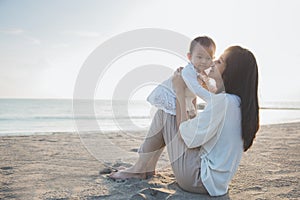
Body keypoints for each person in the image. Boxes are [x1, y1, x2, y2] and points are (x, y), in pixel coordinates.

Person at [109, 45, 259, 197]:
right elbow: (199, 131)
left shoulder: (224, 102)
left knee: (165, 113)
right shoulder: (237, 103)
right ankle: (145, 168)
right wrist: (191, 90)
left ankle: (140, 169)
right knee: (176, 114)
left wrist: (180, 91)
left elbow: (187, 137)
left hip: (197, 179)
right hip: (215, 183)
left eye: (219, 61)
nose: (212, 63)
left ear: (232, 72)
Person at [147, 36, 217, 119]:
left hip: (180, 105)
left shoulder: (203, 73)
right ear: (190, 57)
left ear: (213, 59)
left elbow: (209, 87)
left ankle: (190, 112)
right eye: (199, 57)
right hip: (169, 102)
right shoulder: (188, 71)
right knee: (172, 128)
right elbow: (196, 89)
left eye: (208, 58)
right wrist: (214, 100)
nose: (204, 61)